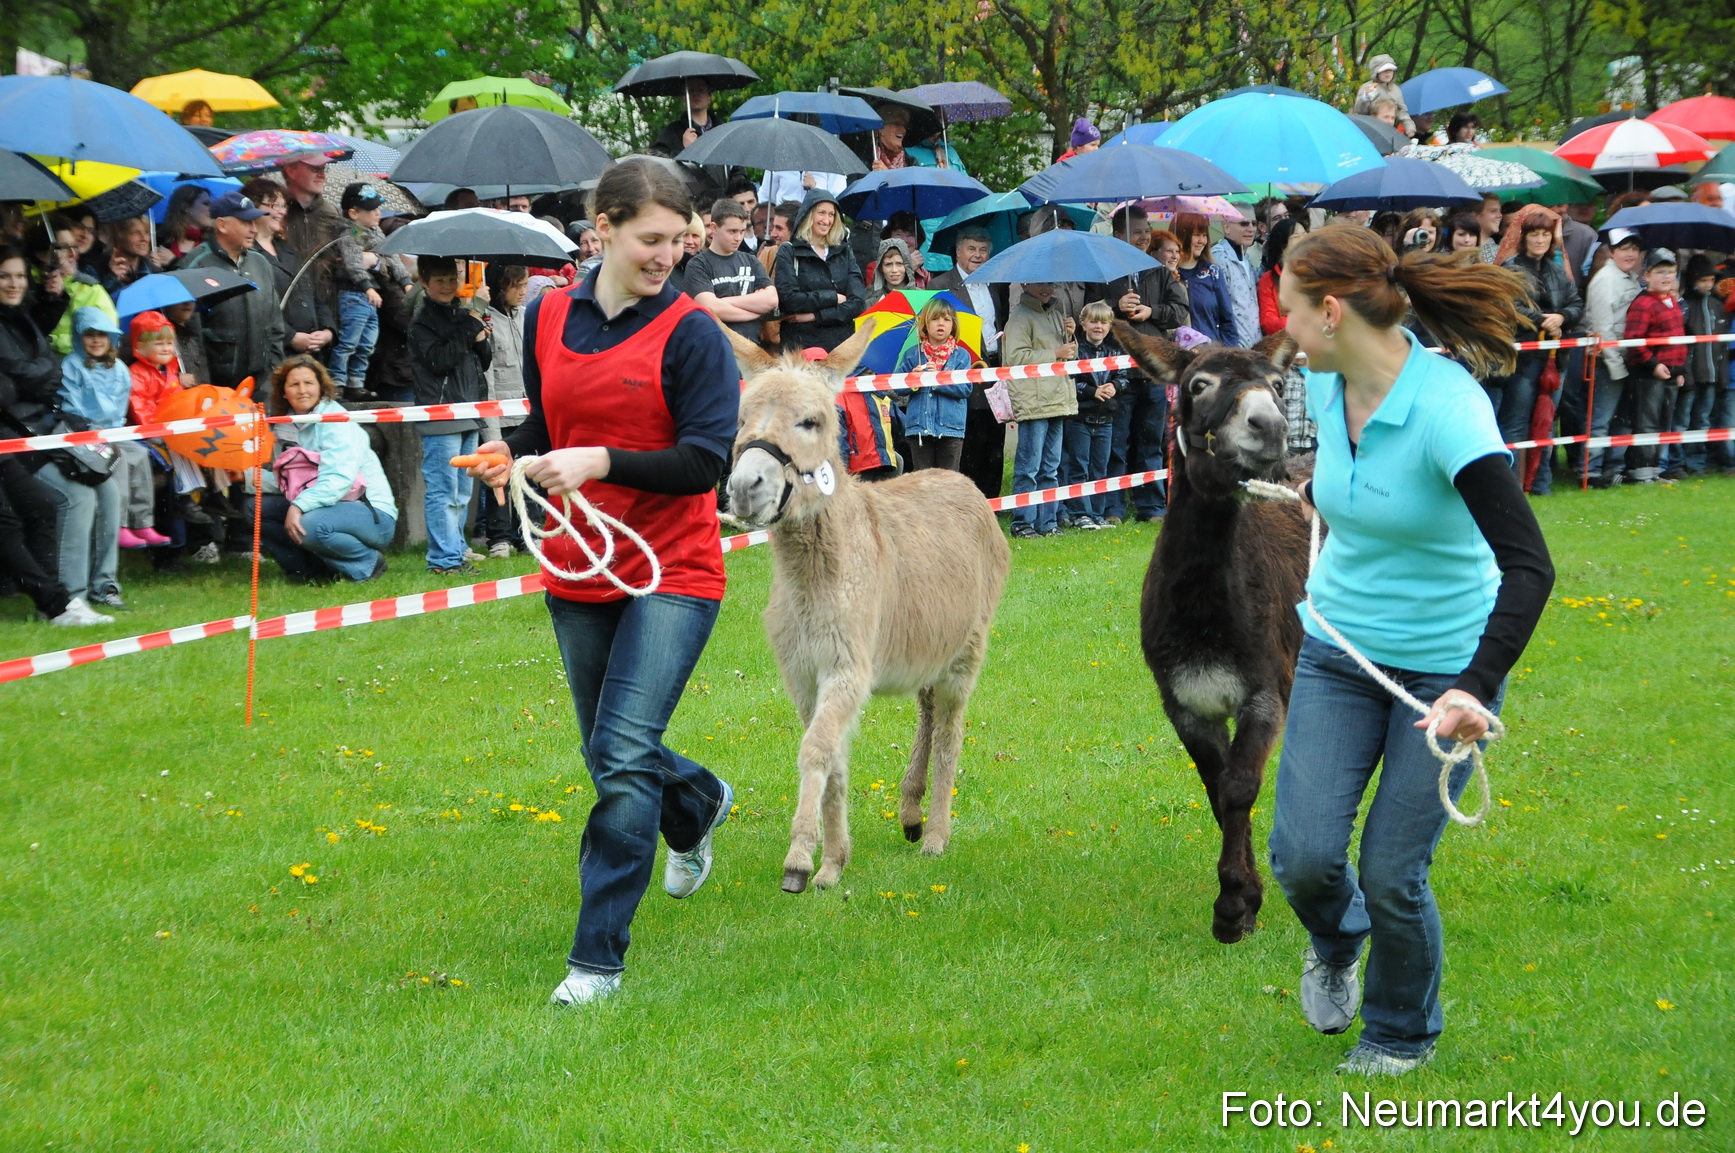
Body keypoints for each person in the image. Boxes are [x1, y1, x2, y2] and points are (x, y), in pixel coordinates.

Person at [1270, 225, 1554, 1076]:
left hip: (1443, 675)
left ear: (1329, 311)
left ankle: (1399, 1031)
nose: (1280, 327)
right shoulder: (1325, 383)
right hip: (1339, 651)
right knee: (1306, 855)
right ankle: (1336, 937)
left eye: (1286, 309)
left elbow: (1530, 565)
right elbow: (1350, 492)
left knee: (1392, 868)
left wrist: (1475, 685)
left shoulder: (1447, 408)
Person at [459, 159, 739, 1008]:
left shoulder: (691, 334)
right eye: (651, 239)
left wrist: (602, 460)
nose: (666, 256)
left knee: (619, 756)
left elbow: (704, 462)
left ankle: (595, 963)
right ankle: (694, 800)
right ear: (604, 228)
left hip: (674, 569)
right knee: (609, 751)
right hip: (580, 563)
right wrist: (514, 451)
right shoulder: (548, 313)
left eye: (678, 241)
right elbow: (548, 425)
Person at [253, 355, 396, 583]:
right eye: (294, 384)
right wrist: (247, 478)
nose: (302, 390)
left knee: (309, 524)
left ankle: (367, 564)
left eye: (309, 383)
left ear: (321, 388)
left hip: (372, 513)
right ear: (283, 392)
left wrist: (298, 507)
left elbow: (339, 480)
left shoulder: (337, 422)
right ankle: (308, 572)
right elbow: (287, 482)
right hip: (322, 507)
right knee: (256, 508)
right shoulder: (284, 425)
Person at [1088, 215, 1189, 524]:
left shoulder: (1159, 272)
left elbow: (1181, 311)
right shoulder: (1103, 273)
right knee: (1116, 446)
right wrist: (1115, 306)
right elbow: (1088, 311)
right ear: (1118, 234)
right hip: (1117, 373)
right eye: (1136, 232)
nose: (1144, 238)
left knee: (1151, 444)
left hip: (1152, 371)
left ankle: (1152, 507)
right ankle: (1113, 508)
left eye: (1146, 232)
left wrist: (1151, 310)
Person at [39, 307, 133, 608]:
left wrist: (108, 436)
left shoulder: (120, 370)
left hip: (109, 443)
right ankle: (74, 592)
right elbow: (73, 410)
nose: (96, 340)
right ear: (79, 337)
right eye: (89, 334)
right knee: (88, 500)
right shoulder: (70, 366)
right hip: (77, 445)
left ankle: (105, 584)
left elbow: (117, 412)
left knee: (112, 501)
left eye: (102, 333)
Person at [408, 255, 491, 574]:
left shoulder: (461, 313)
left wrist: (481, 334)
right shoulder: (422, 321)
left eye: (451, 278)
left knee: (461, 491)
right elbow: (440, 360)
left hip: (469, 411)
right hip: (441, 417)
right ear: (425, 283)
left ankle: (456, 552)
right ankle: (443, 561)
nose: (446, 285)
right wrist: (473, 320)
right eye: (439, 280)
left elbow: (481, 361)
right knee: (443, 491)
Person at [1495, 204, 1582, 494]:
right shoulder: (1511, 268)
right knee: (1516, 422)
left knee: (1546, 421)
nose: (1540, 240)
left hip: (1555, 358)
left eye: (1545, 235)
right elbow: (1510, 307)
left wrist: (1563, 317)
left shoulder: (1557, 270)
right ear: (1525, 237)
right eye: (1535, 235)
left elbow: (1576, 304)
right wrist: (1545, 321)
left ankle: (1541, 484)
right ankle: (1511, 486)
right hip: (1523, 358)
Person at [928, 227, 1011, 500]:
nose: (978, 255)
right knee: (970, 444)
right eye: (972, 249)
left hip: (996, 371)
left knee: (995, 443)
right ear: (958, 251)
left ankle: (992, 503)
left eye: (983, 250)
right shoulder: (939, 285)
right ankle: (968, 504)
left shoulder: (997, 283)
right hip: (963, 372)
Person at [182, 193, 286, 389]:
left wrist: (273, 373)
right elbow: (190, 335)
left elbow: (275, 325)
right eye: (246, 222)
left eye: (255, 223)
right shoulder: (195, 266)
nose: (254, 229)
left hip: (262, 386)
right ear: (222, 225)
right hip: (216, 389)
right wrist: (204, 386)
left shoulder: (260, 262)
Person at [1003, 282, 1078, 538]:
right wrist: (1056, 351)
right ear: (1025, 284)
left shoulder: (1058, 315)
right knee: (1029, 467)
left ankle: (1048, 523)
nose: (1047, 289)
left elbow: (1069, 357)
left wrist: (1072, 336)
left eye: (1050, 284)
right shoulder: (1019, 317)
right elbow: (1015, 357)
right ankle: (1022, 523)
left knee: (1050, 468)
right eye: (1040, 284)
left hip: (1058, 398)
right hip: (1034, 401)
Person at [241, 177, 335, 371]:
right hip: (277, 357)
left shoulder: (290, 251)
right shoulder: (247, 257)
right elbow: (258, 310)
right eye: (274, 205)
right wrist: (291, 336)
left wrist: (327, 331)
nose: (282, 212)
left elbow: (316, 296)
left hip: (313, 356)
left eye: (283, 206)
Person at [332, 183, 409, 403]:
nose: (378, 213)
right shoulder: (351, 232)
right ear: (354, 213)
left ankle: (356, 382)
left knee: (366, 343)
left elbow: (392, 257)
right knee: (349, 341)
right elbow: (353, 262)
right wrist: (367, 287)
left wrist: (405, 282)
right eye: (372, 209)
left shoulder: (375, 231)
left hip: (371, 297)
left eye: (379, 208)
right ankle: (338, 381)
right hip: (354, 294)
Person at [1620, 249, 1686, 484]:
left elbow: (1679, 340)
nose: (1666, 277)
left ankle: (1656, 470)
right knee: (1646, 423)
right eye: (1660, 272)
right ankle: (1641, 472)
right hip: (1647, 375)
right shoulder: (1643, 303)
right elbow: (1634, 341)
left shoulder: (1672, 302)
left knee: (1663, 423)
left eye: (1671, 272)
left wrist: (1680, 372)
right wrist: (1654, 365)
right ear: (1647, 275)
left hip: (1671, 373)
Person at [774, 189, 865, 353]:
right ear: (808, 215)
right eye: (821, 213)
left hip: (840, 347)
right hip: (800, 348)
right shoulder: (789, 251)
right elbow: (789, 299)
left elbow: (857, 303)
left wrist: (814, 316)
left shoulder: (844, 251)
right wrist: (833, 297)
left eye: (831, 214)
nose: (827, 220)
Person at [891, 296, 973, 472]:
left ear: (953, 324)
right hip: (919, 429)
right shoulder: (913, 355)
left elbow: (965, 388)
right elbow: (897, 386)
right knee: (923, 481)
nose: (940, 324)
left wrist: (937, 379)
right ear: (925, 324)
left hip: (951, 429)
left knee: (949, 481)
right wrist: (913, 380)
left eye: (946, 319)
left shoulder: (961, 356)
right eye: (934, 319)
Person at [1062, 301, 1125, 529]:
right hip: (1080, 419)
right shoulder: (1076, 351)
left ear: (1110, 326)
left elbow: (1124, 376)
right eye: (1093, 321)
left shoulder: (1115, 352)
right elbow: (1070, 381)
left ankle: (1097, 514)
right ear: (1083, 324)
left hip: (1106, 421)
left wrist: (1115, 386)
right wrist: (1092, 391)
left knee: (1100, 468)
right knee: (1079, 466)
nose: (1098, 326)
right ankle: (1080, 513)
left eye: (1103, 322)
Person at [685, 198, 778, 343]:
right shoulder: (698, 264)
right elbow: (710, 307)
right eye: (732, 231)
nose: (738, 238)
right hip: (716, 346)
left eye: (742, 231)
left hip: (753, 348)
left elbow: (772, 299)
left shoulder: (751, 260)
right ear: (714, 228)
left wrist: (724, 302)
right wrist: (755, 312)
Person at [33, 219, 118, 356]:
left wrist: (53, 341)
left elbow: (105, 336)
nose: (73, 254)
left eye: (74, 247)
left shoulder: (89, 288)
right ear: (42, 253)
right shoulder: (27, 283)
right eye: (64, 248)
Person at [1680, 255, 1730, 476]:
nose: (1708, 285)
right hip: (1690, 375)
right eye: (1703, 280)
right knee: (1682, 421)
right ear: (1692, 280)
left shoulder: (1717, 306)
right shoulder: (1684, 306)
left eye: (1711, 280)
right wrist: (1685, 373)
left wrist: (1721, 377)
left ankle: (1697, 463)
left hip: (1711, 376)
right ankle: (1678, 462)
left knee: (1702, 421)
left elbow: (1722, 347)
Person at [1173, 213, 1239, 346]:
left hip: (1210, 354)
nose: (1202, 241)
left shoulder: (1213, 272)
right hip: (1178, 356)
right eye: (1196, 235)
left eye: (1204, 235)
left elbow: (1227, 320)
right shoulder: (1166, 274)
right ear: (1182, 234)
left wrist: (1230, 354)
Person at [1212, 205, 1261, 349]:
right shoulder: (1218, 258)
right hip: (1233, 350)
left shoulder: (1246, 259)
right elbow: (1221, 310)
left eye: (1254, 223)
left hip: (1253, 348)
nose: (1251, 229)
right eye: (1244, 223)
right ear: (1226, 227)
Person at [1352, 54, 1414, 135]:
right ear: (1376, 72)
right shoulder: (1367, 87)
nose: (1388, 73)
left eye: (1391, 70)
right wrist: (1365, 97)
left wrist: (1409, 127)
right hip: (1369, 129)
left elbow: (1402, 111)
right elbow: (1359, 110)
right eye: (1384, 70)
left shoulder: (1396, 90)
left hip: (1389, 131)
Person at [101, 216, 158, 296]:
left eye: (146, 232)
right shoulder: (97, 270)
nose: (144, 238)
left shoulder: (155, 272)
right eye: (136, 233)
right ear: (119, 236)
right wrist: (113, 279)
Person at [156, 186, 211, 266]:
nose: (211, 209)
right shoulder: (158, 239)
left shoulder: (212, 244)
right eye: (206, 204)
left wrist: (173, 261)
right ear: (185, 206)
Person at [865, 236, 914, 306]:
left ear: (907, 266)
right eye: (888, 264)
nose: (894, 270)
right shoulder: (869, 302)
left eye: (899, 264)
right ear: (880, 268)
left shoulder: (921, 299)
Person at [872, 105, 912, 170]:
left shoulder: (911, 163)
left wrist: (887, 175)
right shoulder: (865, 159)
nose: (903, 130)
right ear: (881, 128)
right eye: (897, 124)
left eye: (904, 125)